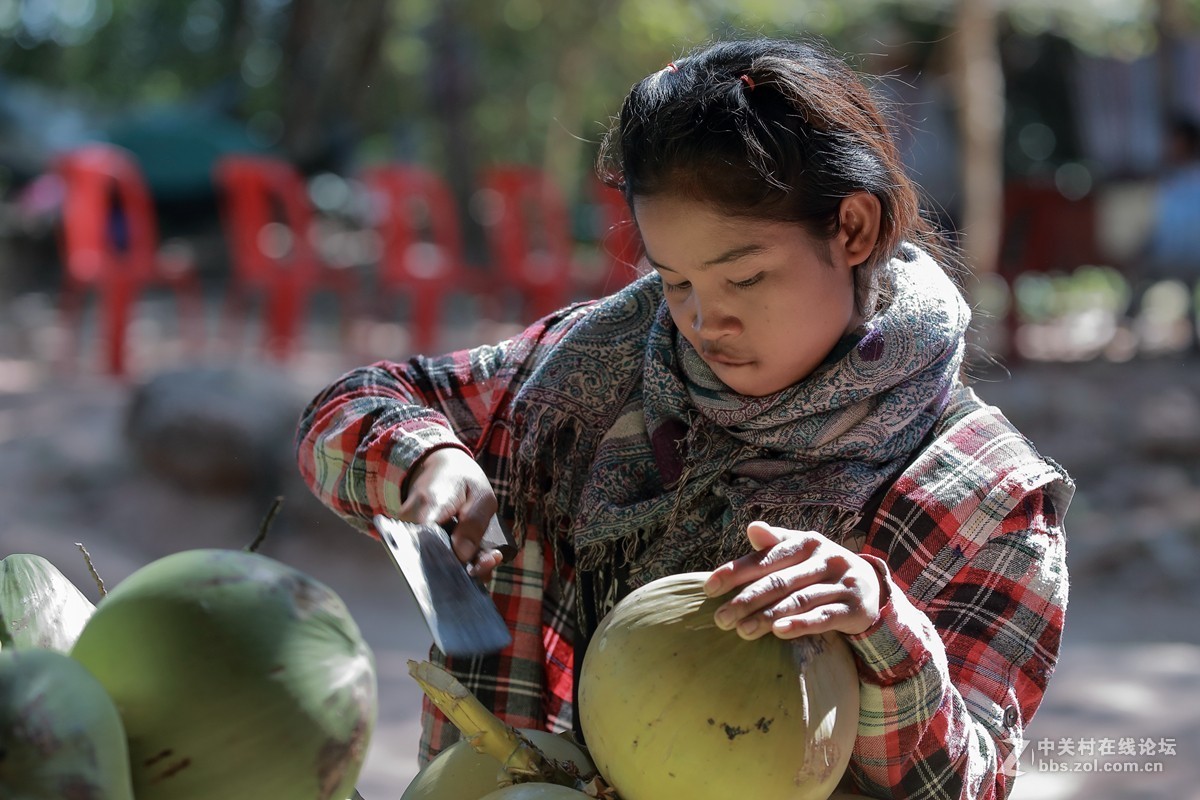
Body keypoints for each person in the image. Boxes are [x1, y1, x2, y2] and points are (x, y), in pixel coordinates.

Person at [296, 37, 1073, 799]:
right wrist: (425, 458)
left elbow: (964, 785)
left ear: (854, 230)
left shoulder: (985, 497)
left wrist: (880, 628)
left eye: (745, 276)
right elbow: (347, 409)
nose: (707, 322)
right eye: (676, 282)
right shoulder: (588, 363)